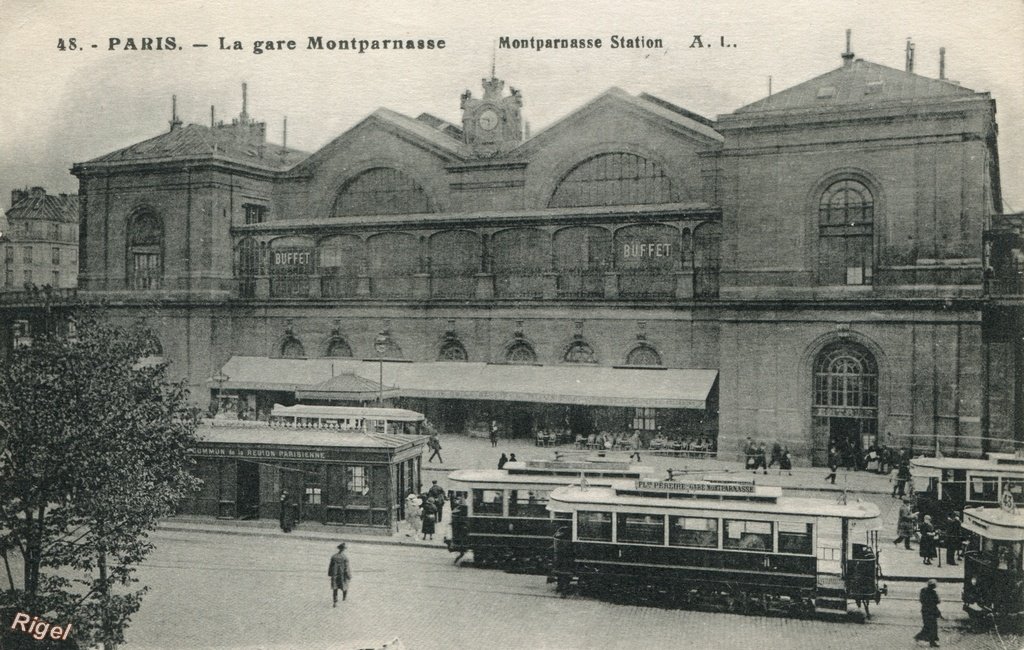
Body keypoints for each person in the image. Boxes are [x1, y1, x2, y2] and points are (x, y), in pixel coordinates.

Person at [914, 579, 942, 647]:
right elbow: (938, 601)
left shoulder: (923, 590)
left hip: (925, 611)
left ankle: (929, 640)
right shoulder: (933, 593)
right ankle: (930, 640)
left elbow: (921, 600)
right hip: (932, 611)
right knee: (933, 626)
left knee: (928, 626)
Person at [328, 542, 351, 607]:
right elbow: (347, 568)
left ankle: (335, 602)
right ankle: (344, 598)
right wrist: (349, 576)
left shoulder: (334, 556)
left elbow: (330, 566)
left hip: (335, 575)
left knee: (335, 588)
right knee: (345, 586)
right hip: (342, 575)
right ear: (344, 549)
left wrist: (330, 574)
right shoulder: (345, 557)